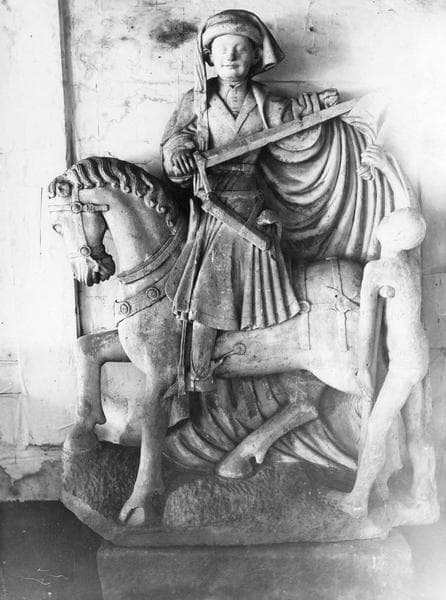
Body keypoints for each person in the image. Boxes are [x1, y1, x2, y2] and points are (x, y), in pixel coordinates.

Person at [161, 9, 339, 391]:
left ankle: (254, 364)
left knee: (248, 271)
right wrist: (179, 154)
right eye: (222, 49)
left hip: (251, 206)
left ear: (256, 56)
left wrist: (316, 106)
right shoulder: (196, 102)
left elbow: (295, 122)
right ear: (209, 56)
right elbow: (176, 141)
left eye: (239, 48)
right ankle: (197, 372)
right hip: (212, 206)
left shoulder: (266, 103)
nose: (230, 56)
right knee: (207, 285)